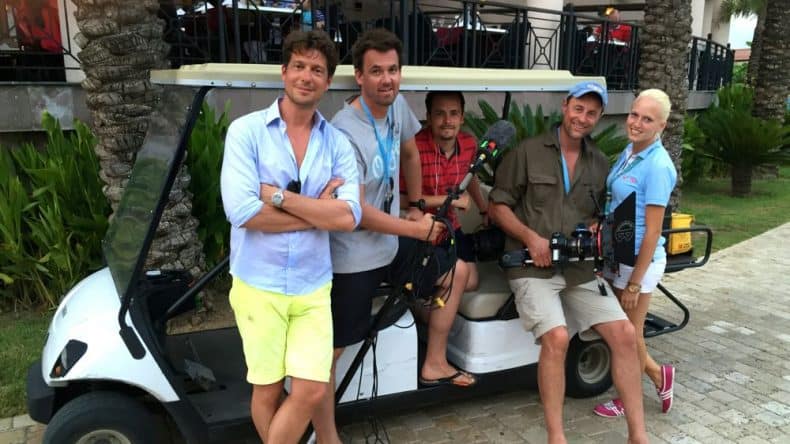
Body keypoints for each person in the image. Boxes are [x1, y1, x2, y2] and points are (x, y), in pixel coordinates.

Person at [312, 28, 475, 444]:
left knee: (454, 270)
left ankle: (433, 360)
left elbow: (408, 152)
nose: (387, 79)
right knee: (331, 350)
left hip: (390, 240)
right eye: (376, 71)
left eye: (393, 70)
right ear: (359, 76)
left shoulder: (397, 105)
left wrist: (417, 203)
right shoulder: (343, 132)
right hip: (353, 255)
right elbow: (356, 212)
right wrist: (416, 227)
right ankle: (326, 434)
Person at [220, 30, 361, 444]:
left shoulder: (337, 143)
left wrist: (280, 198)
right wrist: (318, 212)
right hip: (258, 283)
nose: (306, 76)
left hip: (312, 284)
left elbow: (349, 216)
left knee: (312, 388)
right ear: (283, 72)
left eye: (317, 69)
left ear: (328, 81)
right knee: (267, 390)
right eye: (299, 65)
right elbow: (242, 212)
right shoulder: (246, 132)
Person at [488, 81, 648, 444]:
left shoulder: (600, 163)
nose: (583, 118)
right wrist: (531, 238)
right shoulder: (528, 152)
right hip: (531, 265)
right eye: (578, 109)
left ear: (599, 117)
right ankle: (556, 437)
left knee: (625, 335)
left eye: (591, 113)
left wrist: (597, 226)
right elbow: (497, 206)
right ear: (565, 107)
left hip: (577, 268)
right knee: (557, 338)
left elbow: (599, 214)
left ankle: (638, 436)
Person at [594, 88, 678, 418]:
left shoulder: (657, 165)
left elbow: (654, 231)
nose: (637, 123)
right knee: (624, 332)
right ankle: (657, 375)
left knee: (629, 335)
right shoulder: (631, 151)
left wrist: (634, 283)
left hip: (639, 263)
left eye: (647, 119)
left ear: (662, 126)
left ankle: (632, 396)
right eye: (634, 115)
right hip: (621, 253)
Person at [401, 91, 488, 290]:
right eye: (440, 114)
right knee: (452, 278)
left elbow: (470, 176)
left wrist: (484, 209)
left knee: (471, 282)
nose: (447, 121)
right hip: (419, 228)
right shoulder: (413, 147)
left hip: (450, 227)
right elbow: (402, 200)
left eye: (454, 113)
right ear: (429, 117)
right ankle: (421, 302)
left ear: (462, 117)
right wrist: (450, 200)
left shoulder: (469, 144)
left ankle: (431, 302)